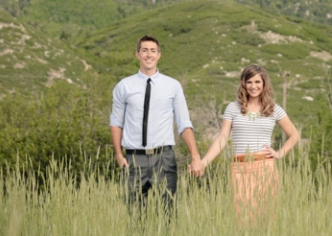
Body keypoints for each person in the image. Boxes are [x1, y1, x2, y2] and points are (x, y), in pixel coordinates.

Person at [194, 64, 299, 222]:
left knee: (267, 216)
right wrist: (204, 162)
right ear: (243, 83)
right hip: (239, 168)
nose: (253, 86)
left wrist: (279, 153)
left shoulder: (273, 109)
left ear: (264, 84)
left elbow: (294, 135)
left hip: (265, 167)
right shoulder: (233, 108)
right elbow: (222, 138)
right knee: (243, 217)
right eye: (249, 82)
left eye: (257, 82)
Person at [110, 35, 203, 212]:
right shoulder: (124, 86)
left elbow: (184, 123)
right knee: (135, 215)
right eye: (144, 50)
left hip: (164, 157)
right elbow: (116, 122)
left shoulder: (173, 86)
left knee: (167, 212)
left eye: (153, 51)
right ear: (137, 54)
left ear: (159, 55)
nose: (149, 54)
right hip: (133, 159)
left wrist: (195, 156)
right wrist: (119, 154)